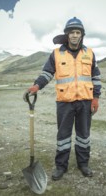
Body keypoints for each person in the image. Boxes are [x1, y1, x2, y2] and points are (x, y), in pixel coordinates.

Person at [23, 17, 101, 181]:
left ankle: (83, 164)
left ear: (81, 35)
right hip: (64, 102)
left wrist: (96, 98)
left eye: (77, 32)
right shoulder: (57, 54)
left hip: (85, 102)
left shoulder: (90, 53)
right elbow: (47, 73)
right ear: (66, 35)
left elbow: (96, 77)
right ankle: (61, 166)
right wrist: (37, 86)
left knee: (84, 135)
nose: (74, 35)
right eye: (71, 32)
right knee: (63, 136)